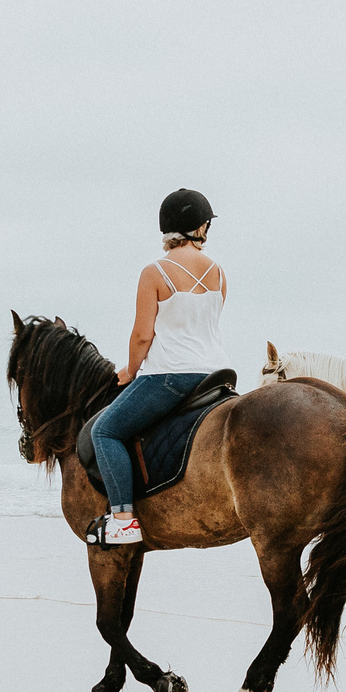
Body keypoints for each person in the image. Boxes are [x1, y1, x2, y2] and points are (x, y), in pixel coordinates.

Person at [87, 188, 227, 546]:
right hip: (215, 374)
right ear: (200, 227)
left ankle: (122, 519)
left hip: (170, 376)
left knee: (105, 432)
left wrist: (130, 371)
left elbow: (141, 335)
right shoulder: (219, 274)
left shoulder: (155, 272)